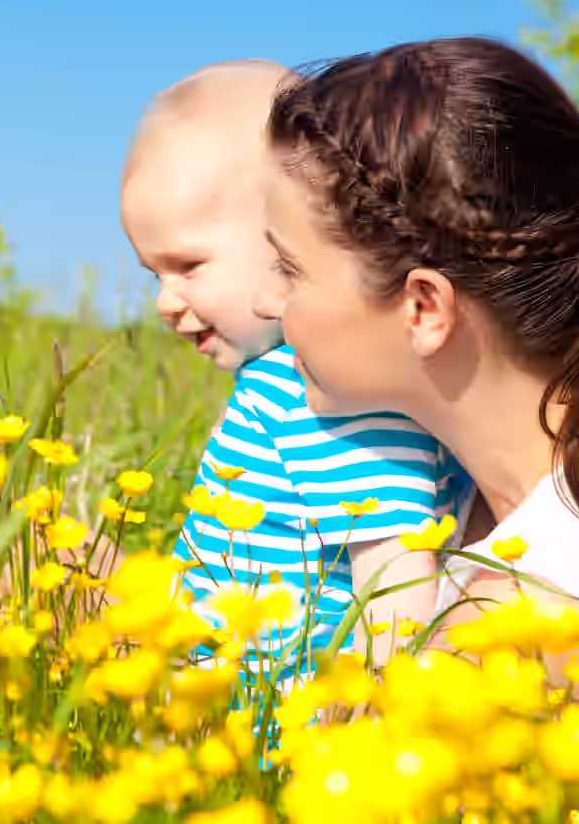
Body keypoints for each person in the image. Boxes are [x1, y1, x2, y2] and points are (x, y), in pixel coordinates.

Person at [254, 37, 579, 659]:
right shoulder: (508, 506)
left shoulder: (541, 624)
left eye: (289, 268)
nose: (264, 302)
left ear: (424, 308)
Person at [120, 60, 466, 690]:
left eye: (189, 265)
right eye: (153, 274)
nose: (165, 301)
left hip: (280, 733)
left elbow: (394, 577)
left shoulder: (327, 388)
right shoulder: (295, 379)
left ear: (287, 237)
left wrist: (382, 724)